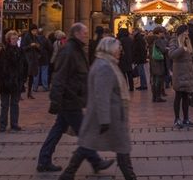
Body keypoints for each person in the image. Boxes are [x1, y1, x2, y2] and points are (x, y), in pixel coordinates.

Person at [36, 23, 113, 173]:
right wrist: (55, 100)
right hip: (70, 99)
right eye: (84, 33)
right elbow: (59, 77)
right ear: (76, 33)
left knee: (58, 130)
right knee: (85, 132)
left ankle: (44, 160)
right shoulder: (69, 51)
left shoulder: (77, 49)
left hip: (73, 97)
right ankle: (95, 161)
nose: (86, 35)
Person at [58, 37, 137, 180]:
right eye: (118, 48)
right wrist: (104, 119)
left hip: (107, 115)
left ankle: (68, 174)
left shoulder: (106, 63)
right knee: (120, 147)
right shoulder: (104, 66)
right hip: (108, 116)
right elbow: (102, 94)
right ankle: (130, 177)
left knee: (88, 144)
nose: (120, 51)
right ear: (110, 49)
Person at [0, 30, 26, 132]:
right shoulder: (3, 51)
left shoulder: (20, 51)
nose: (15, 41)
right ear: (8, 39)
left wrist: (22, 79)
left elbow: (24, 66)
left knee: (15, 104)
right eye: (13, 39)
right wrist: (0, 79)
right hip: (5, 82)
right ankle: (3, 125)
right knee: (4, 105)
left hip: (16, 81)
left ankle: (14, 124)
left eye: (16, 39)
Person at [170, 24, 193, 128]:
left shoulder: (188, 41)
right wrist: (182, 48)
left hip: (188, 72)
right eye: (186, 31)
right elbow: (172, 54)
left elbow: (192, 56)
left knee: (186, 97)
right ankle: (177, 119)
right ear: (182, 32)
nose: (188, 33)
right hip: (180, 73)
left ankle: (186, 118)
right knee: (178, 96)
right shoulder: (174, 41)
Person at [21, 25, 41, 98]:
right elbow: (22, 48)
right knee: (24, 77)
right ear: (31, 30)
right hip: (27, 60)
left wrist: (37, 46)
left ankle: (29, 93)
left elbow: (39, 47)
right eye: (34, 30)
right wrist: (30, 45)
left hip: (33, 60)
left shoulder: (36, 37)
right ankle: (19, 93)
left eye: (36, 30)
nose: (35, 32)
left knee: (31, 76)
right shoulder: (26, 37)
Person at [150, 26, 168, 103]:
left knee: (154, 79)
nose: (163, 34)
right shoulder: (158, 40)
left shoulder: (150, 39)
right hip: (158, 62)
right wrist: (167, 48)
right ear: (159, 33)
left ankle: (154, 96)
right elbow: (163, 50)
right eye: (162, 32)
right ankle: (157, 96)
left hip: (153, 61)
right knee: (158, 80)